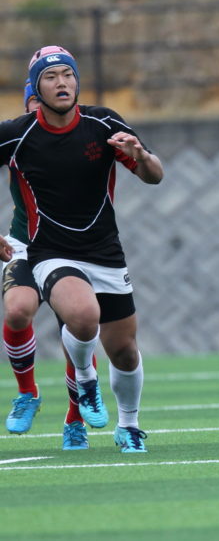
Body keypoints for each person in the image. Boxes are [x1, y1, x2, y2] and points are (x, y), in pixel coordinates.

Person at [0, 46, 164, 453]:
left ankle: (129, 426)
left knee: (124, 352)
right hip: (49, 252)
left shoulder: (103, 122)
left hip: (106, 253)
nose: (62, 83)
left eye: (68, 75)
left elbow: (154, 176)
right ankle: (82, 384)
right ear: (35, 87)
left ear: (77, 81)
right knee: (82, 315)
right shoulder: (16, 134)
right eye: (51, 76)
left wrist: (140, 155)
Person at [3, 77, 101, 449]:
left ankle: (75, 419)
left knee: (77, 328)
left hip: (71, 251)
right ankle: (27, 393)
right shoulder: (17, 136)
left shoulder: (81, 134)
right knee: (17, 310)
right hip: (24, 247)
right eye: (33, 101)